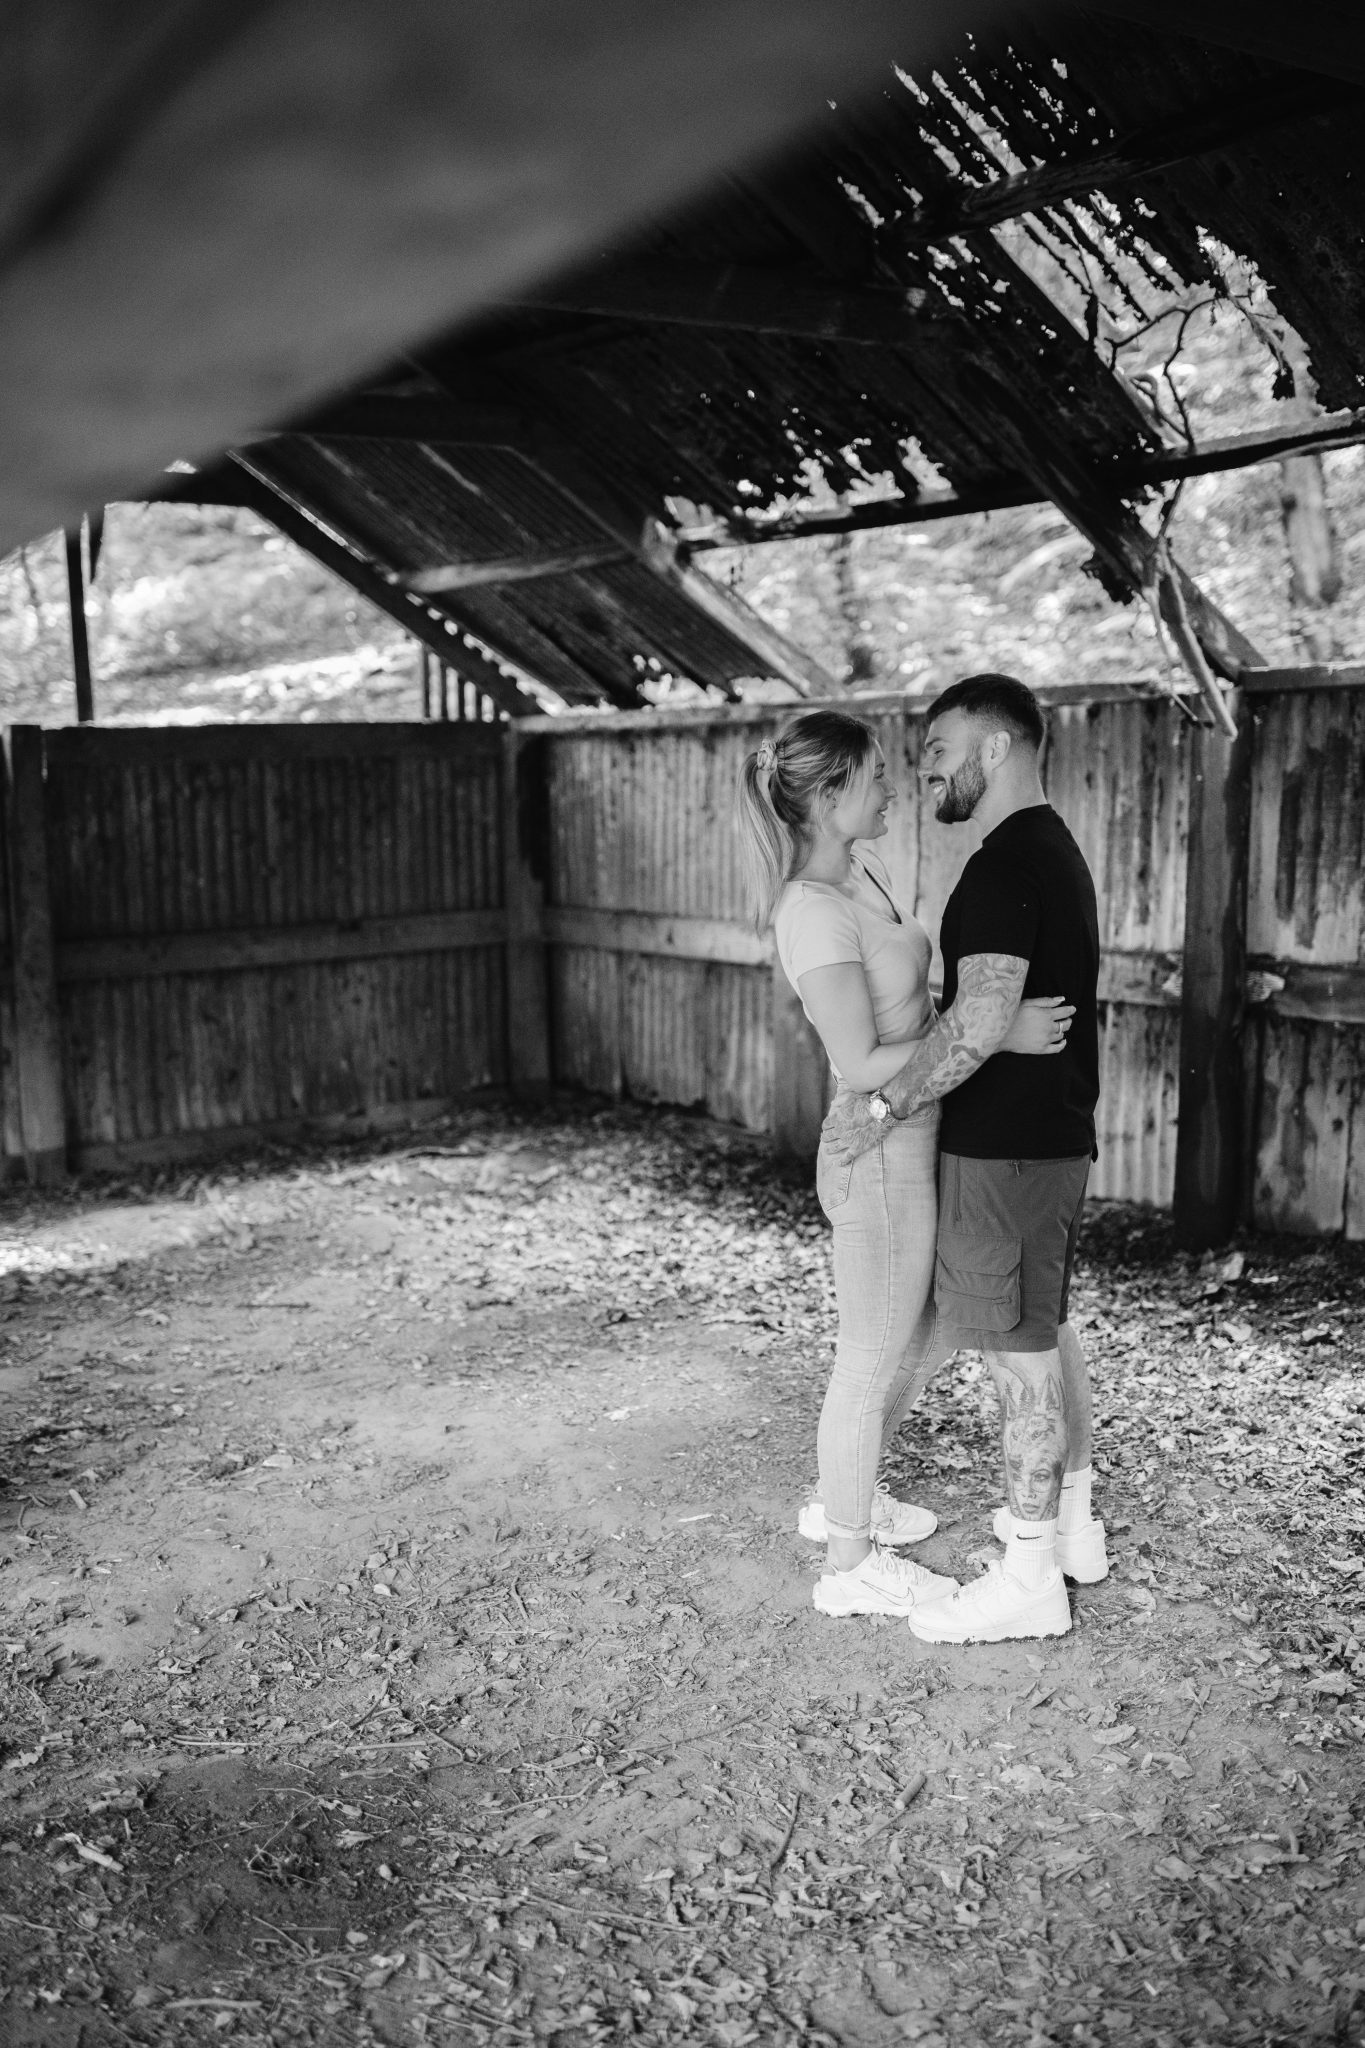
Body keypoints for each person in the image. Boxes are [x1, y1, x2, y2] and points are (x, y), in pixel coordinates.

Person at [735, 709, 1073, 1621]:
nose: (894, 787)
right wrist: (993, 1035)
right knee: (870, 1355)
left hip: (917, 1135)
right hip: (877, 1149)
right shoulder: (811, 911)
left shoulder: (862, 872)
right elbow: (859, 1062)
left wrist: (975, 1035)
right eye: (876, 776)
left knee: (923, 1338)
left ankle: (845, 1491)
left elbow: (915, 1013)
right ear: (829, 794)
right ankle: (848, 1561)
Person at [823, 674, 1107, 1645]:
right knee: (1042, 1329)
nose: (926, 769)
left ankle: (1028, 1574)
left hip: (1005, 1155)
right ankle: (1072, 1529)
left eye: (939, 749)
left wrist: (880, 1105)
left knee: (1018, 1358)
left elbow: (981, 1021)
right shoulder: (1051, 848)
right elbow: (993, 1016)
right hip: (1046, 1142)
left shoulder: (1002, 867)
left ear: (996, 747)